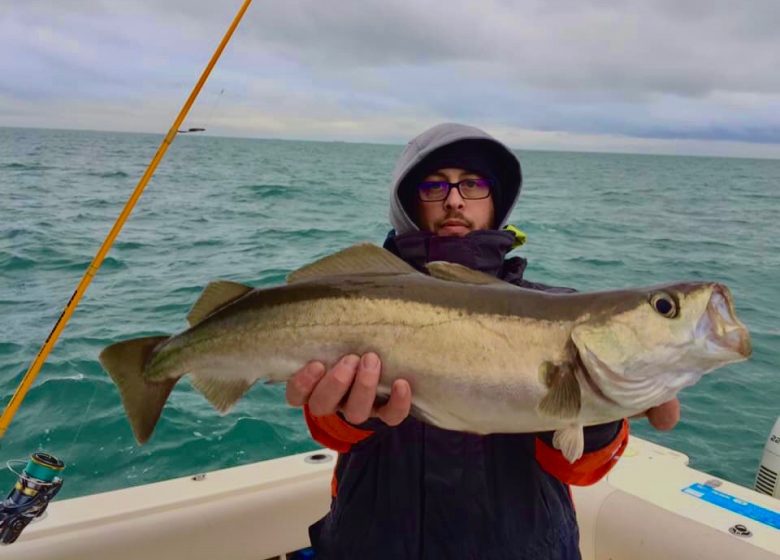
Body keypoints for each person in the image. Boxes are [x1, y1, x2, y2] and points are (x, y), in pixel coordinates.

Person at [285, 123, 680, 559]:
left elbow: (579, 469)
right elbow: (329, 430)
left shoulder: (560, 312)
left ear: (497, 199)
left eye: (473, 184)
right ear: (408, 202)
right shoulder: (358, 297)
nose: (454, 199)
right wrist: (353, 415)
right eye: (435, 186)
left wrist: (598, 412)